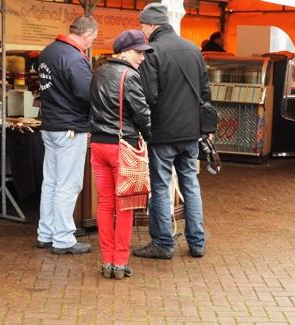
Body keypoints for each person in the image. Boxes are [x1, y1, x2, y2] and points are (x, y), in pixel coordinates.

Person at [134, 2, 212, 259]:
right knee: (190, 184)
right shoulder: (193, 49)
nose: (142, 30)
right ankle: (197, 243)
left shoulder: (152, 52)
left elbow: (148, 97)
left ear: (153, 24)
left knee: (160, 186)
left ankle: (163, 243)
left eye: (143, 25)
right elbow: (205, 93)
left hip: (163, 133)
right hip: (191, 133)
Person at [89, 29, 152, 279]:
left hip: (98, 145)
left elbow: (90, 107)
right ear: (125, 51)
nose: (142, 58)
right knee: (125, 205)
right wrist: (149, 136)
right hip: (122, 146)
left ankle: (106, 261)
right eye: (139, 52)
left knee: (105, 203)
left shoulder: (99, 71)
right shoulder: (131, 76)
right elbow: (143, 113)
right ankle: (120, 261)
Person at [35, 16, 99, 255]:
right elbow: (87, 94)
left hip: (50, 125)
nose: (92, 42)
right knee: (68, 184)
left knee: (51, 181)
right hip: (71, 128)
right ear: (86, 34)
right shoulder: (74, 57)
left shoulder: (48, 52)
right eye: (93, 38)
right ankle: (63, 238)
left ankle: (46, 233)